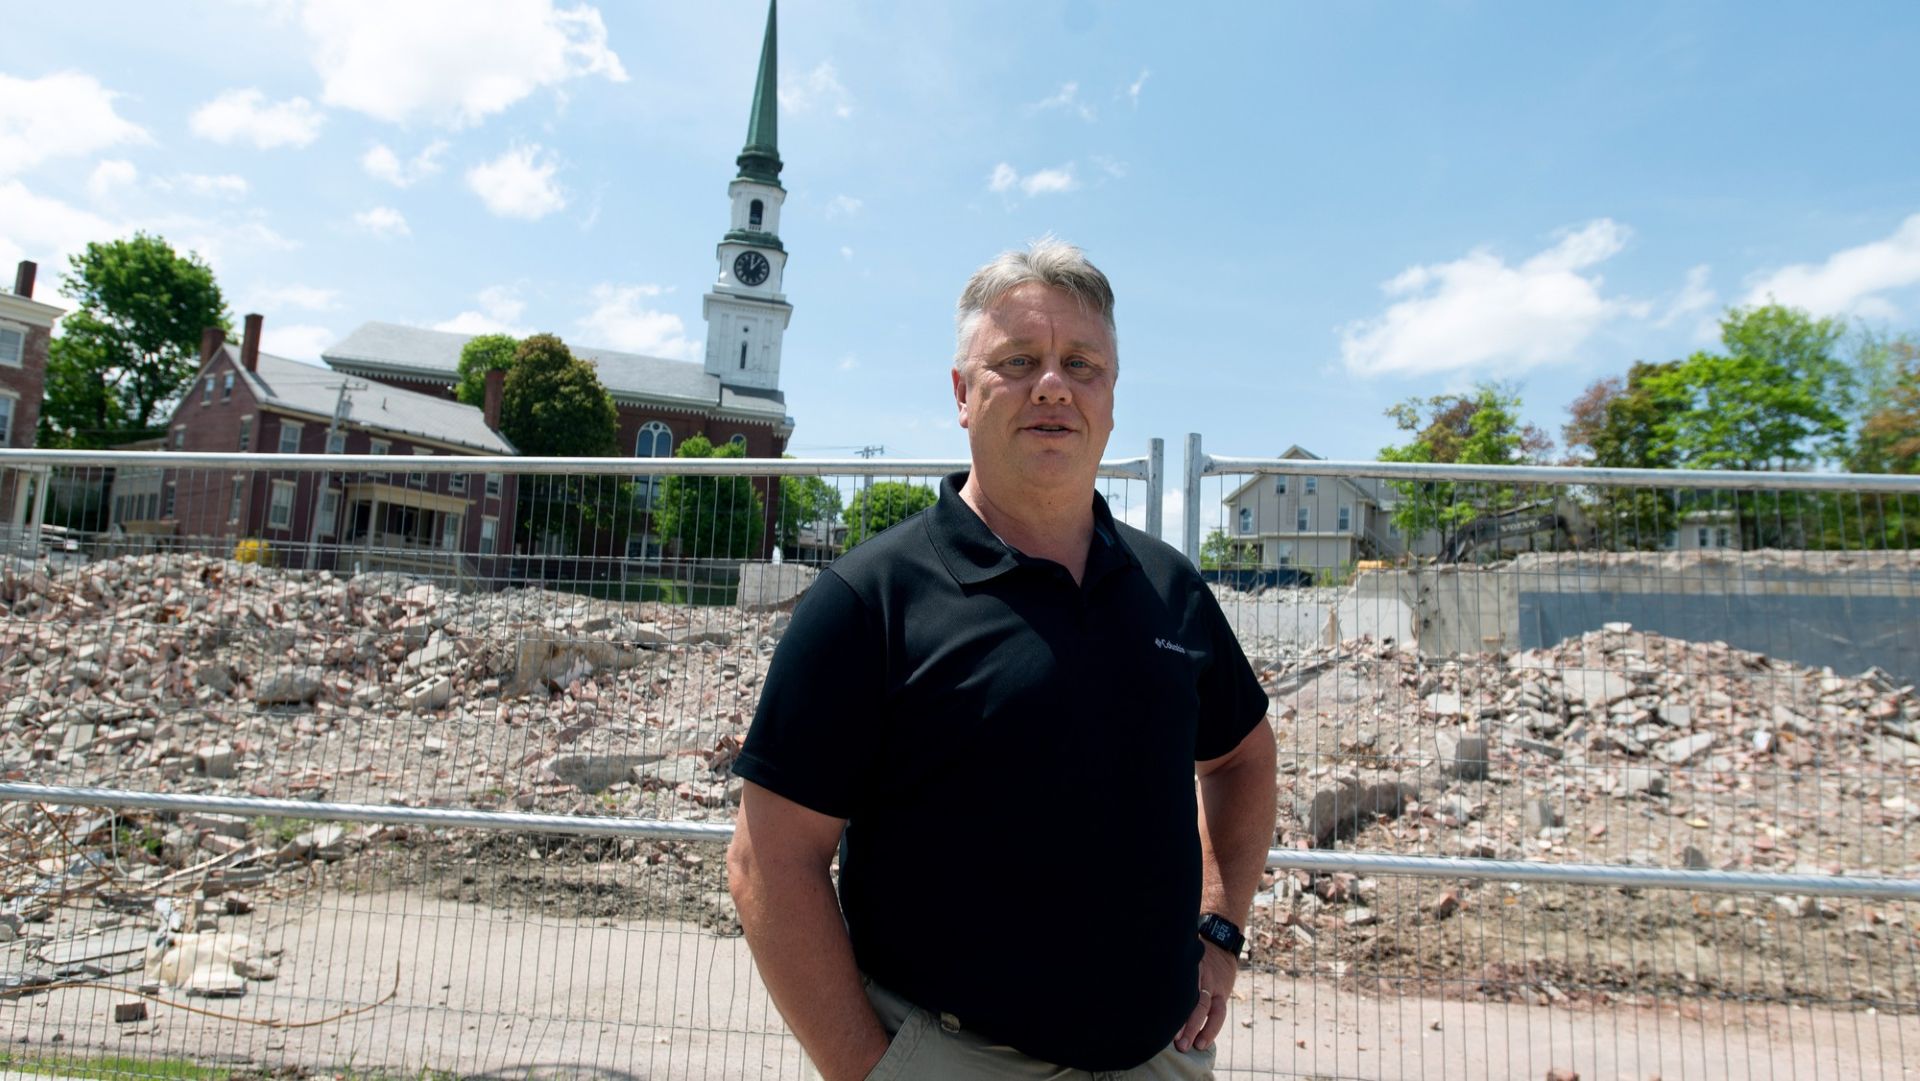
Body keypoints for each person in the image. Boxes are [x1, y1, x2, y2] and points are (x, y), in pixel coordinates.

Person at [727, 239, 1277, 1080]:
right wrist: (869, 1070)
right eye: (1018, 360)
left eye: (1081, 363)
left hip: (1160, 1057)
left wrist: (1222, 921)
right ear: (961, 392)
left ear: (1111, 397)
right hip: (954, 1057)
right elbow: (768, 860)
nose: (1053, 384)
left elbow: (1242, 755)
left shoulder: (1170, 590)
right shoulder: (870, 600)